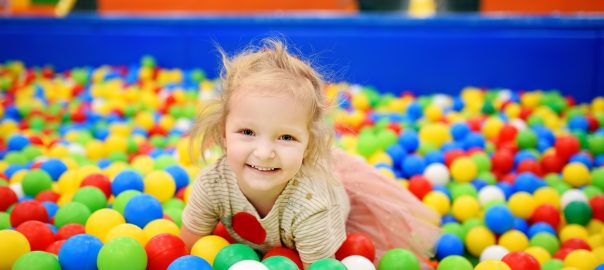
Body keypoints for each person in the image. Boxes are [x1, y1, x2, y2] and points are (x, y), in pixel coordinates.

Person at [181, 38, 441, 269]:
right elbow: (187, 252)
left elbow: (319, 267)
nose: (264, 152)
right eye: (247, 132)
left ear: (308, 147)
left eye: (286, 137)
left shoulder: (311, 207)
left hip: (327, 206)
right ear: (223, 136)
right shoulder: (212, 185)